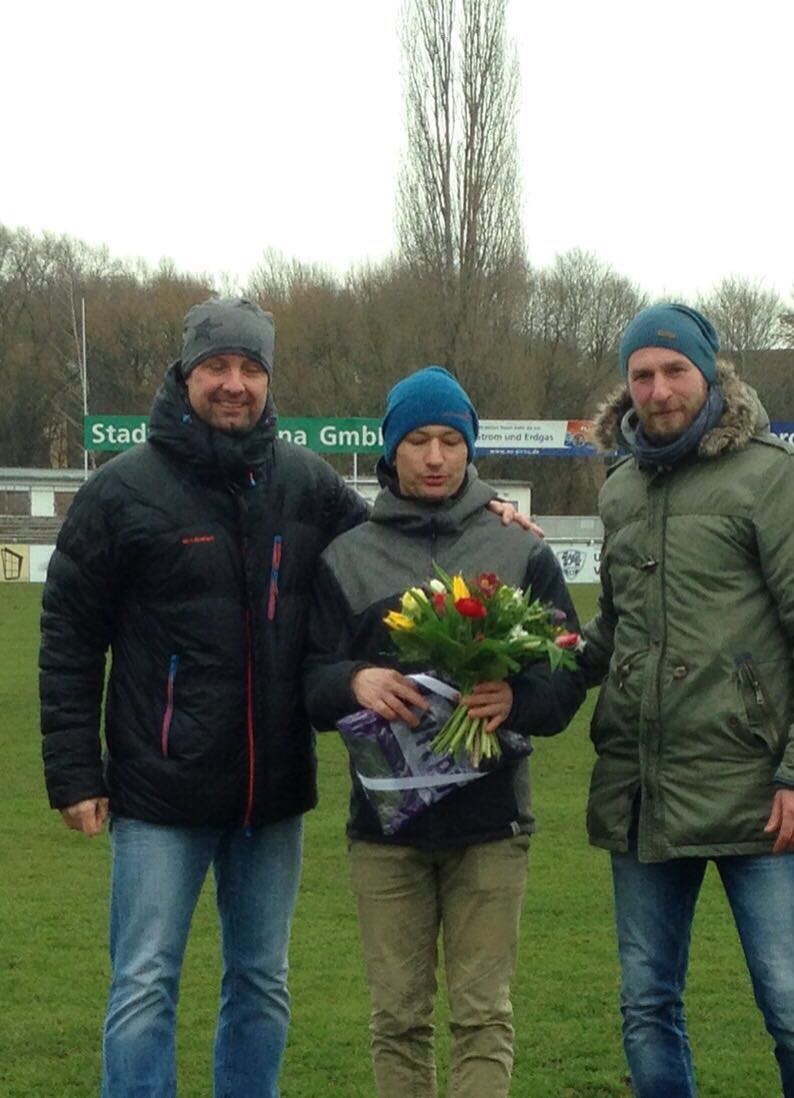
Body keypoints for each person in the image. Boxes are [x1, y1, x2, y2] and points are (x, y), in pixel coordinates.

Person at [39, 300, 533, 1098]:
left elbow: (402, 543)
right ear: (187, 373)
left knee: (261, 981)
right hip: (157, 788)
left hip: (270, 790)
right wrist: (74, 771)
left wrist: (488, 515)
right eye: (218, 368)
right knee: (142, 985)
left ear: (269, 380)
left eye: (252, 369)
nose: (234, 385)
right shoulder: (122, 489)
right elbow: (67, 636)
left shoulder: (304, 482)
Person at [303, 365, 585, 1098]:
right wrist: (350, 682)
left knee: (482, 1015)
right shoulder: (347, 555)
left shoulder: (519, 551)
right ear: (390, 451)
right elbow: (305, 678)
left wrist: (514, 699)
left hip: (492, 826)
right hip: (384, 830)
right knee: (397, 1018)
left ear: (471, 450)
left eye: (451, 441)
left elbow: (567, 675)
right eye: (419, 440)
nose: (435, 457)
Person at [582, 303, 794, 1097]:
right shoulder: (619, 487)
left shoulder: (773, 475)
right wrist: (529, 664)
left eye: (674, 370)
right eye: (642, 374)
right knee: (647, 1007)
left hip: (760, 792)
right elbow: (613, 634)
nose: (658, 390)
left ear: (710, 374)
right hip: (644, 791)